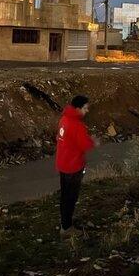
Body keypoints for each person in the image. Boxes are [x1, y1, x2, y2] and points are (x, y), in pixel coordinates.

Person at [55, 95, 98, 237]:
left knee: (65, 195)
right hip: (73, 166)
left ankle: (64, 223)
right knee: (71, 197)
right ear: (78, 108)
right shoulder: (76, 124)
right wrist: (94, 142)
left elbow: (60, 138)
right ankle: (67, 228)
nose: (87, 111)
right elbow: (85, 144)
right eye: (85, 108)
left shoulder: (64, 119)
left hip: (63, 163)